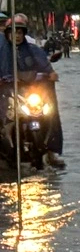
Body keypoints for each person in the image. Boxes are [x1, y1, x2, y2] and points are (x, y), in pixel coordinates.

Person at [0, 14, 64, 168]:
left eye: (20, 33)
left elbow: (44, 65)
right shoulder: (2, 50)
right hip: (7, 94)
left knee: (49, 113)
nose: (17, 36)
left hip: (28, 94)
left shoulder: (33, 49)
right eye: (14, 32)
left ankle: (50, 152)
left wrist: (51, 74)